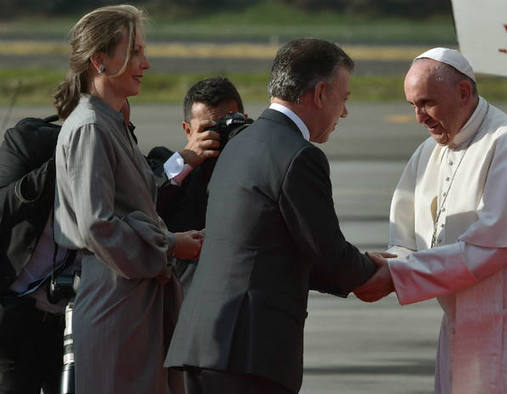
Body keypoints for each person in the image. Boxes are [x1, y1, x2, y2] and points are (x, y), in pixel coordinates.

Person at [354, 48, 507, 393]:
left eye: (426, 103)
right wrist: (387, 265)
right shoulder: (429, 151)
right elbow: (406, 237)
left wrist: (397, 276)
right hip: (468, 313)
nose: (419, 117)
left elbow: (490, 247)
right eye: (412, 106)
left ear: (463, 92)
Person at [165, 38, 377, 394]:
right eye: (344, 98)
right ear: (321, 92)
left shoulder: (238, 144)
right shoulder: (298, 155)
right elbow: (326, 250)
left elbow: (266, 247)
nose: (343, 113)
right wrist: (377, 273)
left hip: (202, 343)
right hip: (248, 353)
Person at [52, 5, 203, 394]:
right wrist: (170, 246)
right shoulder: (90, 128)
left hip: (134, 297)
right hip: (117, 299)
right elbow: (96, 224)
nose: (145, 63)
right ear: (99, 61)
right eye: (134, 52)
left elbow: (133, 205)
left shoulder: (111, 122)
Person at [0, 116, 77, 394]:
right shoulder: (29, 143)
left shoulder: (118, 163)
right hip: (17, 316)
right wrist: (57, 167)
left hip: (74, 322)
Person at [148, 77, 244, 293]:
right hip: (185, 298)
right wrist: (184, 161)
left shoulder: (254, 169)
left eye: (226, 126)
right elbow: (146, 202)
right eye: (209, 129)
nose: (219, 136)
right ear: (187, 130)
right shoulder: (169, 166)